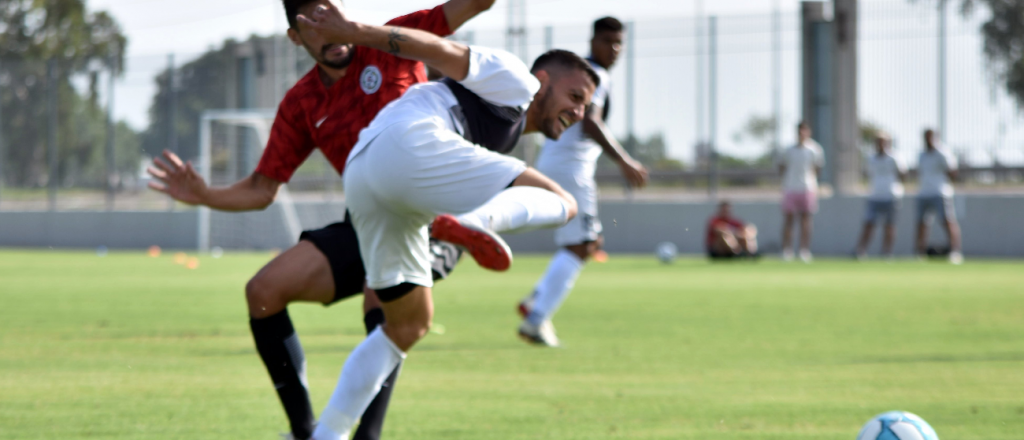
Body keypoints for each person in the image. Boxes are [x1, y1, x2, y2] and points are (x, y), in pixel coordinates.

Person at [145, 1, 496, 439]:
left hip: (431, 210)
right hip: (368, 220)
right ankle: (304, 432)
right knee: (263, 292)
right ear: (295, 36)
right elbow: (261, 189)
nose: (327, 31)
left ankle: (366, 435)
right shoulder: (302, 103)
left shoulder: (389, 42)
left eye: (331, 15)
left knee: (379, 293)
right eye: (312, 24)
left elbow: (472, 6)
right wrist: (202, 195)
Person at [293, 5, 599, 438]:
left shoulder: (503, 123)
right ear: (545, 80)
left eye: (585, 105)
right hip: (409, 142)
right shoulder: (518, 79)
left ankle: (328, 435)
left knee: (406, 324)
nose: (579, 113)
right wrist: (355, 32)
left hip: (365, 171)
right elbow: (438, 48)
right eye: (575, 97)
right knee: (563, 201)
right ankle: (476, 223)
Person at [514, 17, 648, 347]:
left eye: (618, 43)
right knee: (581, 245)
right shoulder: (595, 76)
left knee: (591, 240)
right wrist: (625, 161)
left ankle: (536, 300)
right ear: (592, 42)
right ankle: (536, 319)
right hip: (571, 169)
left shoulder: (586, 74)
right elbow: (590, 122)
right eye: (607, 42)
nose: (613, 49)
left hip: (560, 164)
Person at [854, 132, 906, 259]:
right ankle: (861, 251)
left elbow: (903, 174)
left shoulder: (895, 157)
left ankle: (887, 252)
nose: (880, 144)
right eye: (878, 142)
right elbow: (866, 174)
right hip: (874, 195)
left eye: (883, 142)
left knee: (889, 225)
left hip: (891, 196)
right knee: (868, 224)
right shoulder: (870, 158)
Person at [777, 121, 824, 263]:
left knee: (806, 220)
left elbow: (817, 168)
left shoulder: (815, 149)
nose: (802, 134)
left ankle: (804, 250)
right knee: (789, 220)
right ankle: (787, 250)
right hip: (790, 188)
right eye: (799, 131)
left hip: (808, 188)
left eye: (804, 131)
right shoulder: (788, 149)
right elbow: (782, 167)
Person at [914, 129, 963, 264]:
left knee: (947, 221)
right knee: (922, 223)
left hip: (940, 192)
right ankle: (920, 252)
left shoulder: (943, 153)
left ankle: (955, 251)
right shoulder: (921, 155)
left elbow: (953, 171)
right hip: (924, 192)